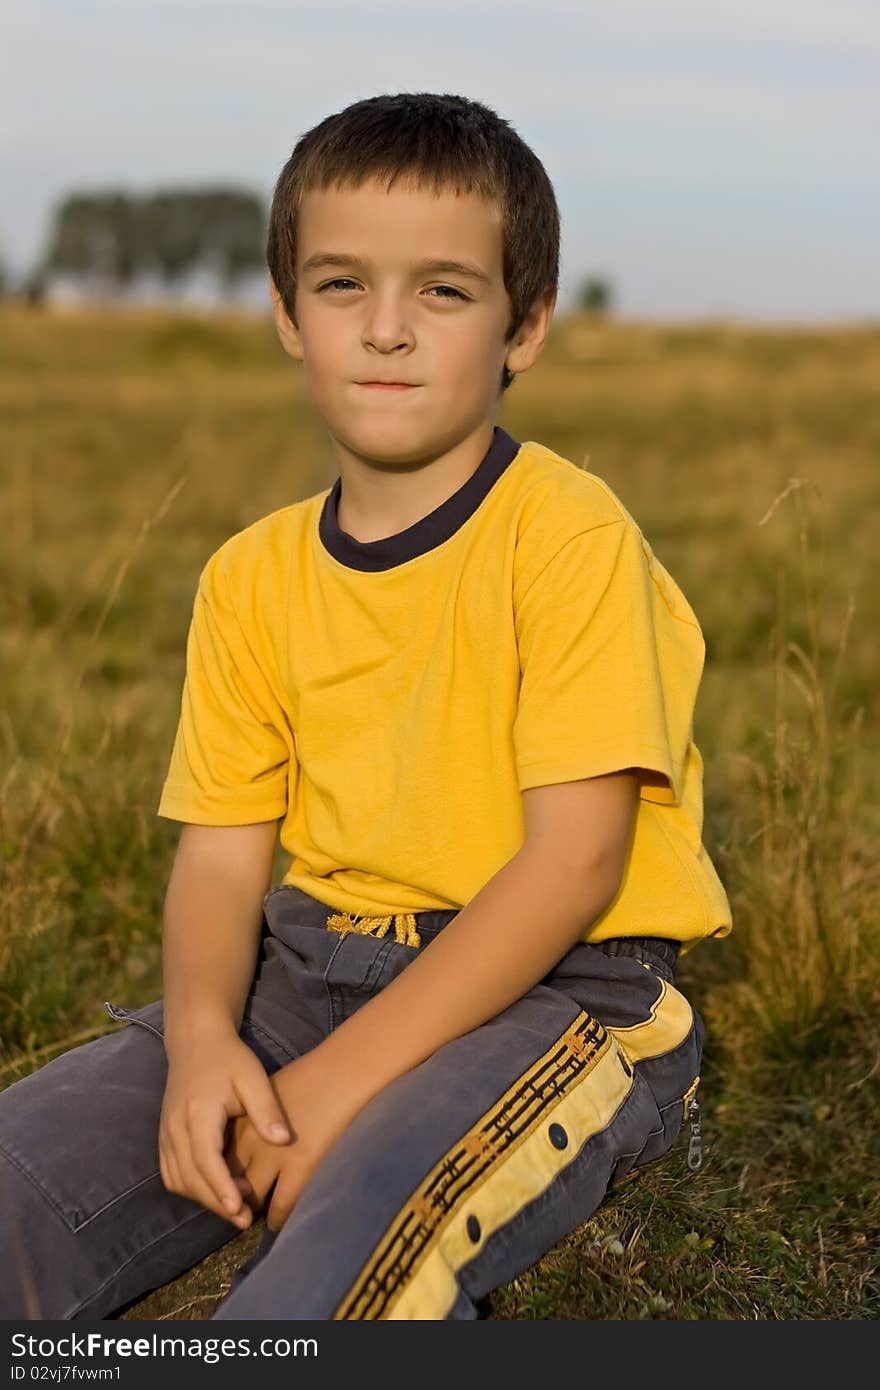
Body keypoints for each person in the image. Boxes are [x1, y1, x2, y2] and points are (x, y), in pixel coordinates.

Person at [0, 91, 731, 1322]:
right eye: (342, 285)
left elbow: (573, 864)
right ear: (289, 314)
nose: (386, 329)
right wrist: (199, 1046)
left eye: (443, 291)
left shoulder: (568, 536)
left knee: (343, 1266)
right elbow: (222, 866)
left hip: (563, 989)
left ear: (526, 324)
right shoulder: (249, 574)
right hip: (308, 972)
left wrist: (336, 1088)